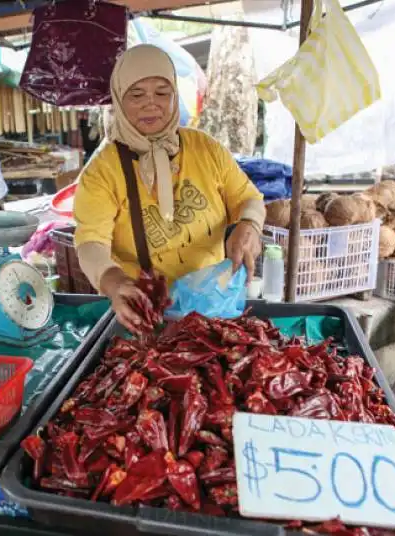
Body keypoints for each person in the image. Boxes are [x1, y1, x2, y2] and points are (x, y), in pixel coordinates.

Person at [73, 44, 265, 334]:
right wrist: (114, 282)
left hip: (214, 306)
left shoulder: (206, 149)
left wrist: (249, 224)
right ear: (118, 100)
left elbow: (248, 197)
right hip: (146, 315)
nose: (151, 104)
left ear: (176, 95)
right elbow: (90, 243)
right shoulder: (102, 171)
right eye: (136, 95)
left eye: (162, 92)